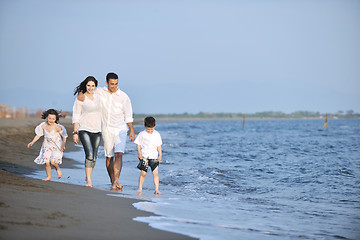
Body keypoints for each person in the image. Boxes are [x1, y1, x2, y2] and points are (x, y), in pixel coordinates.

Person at [78, 72, 135, 190]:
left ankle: (116, 180)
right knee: (109, 157)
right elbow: (89, 91)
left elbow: (128, 115)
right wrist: (80, 93)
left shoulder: (124, 97)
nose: (114, 86)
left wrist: (132, 130)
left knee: (119, 154)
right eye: (111, 83)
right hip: (106, 129)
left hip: (120, 129)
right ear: (107, 83)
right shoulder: (100, 92)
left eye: (116, 83)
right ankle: (112, 180)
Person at [72, 76, 102, 187]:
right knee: (89, 154)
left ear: (95, 86)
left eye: (93, 85)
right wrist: (75, 133)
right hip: (84, 129)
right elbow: (76, 115)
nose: (90, 88)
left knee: (94, 156)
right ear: (85, 85)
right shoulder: (81, 98)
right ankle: (89, 180)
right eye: (88, 85)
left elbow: (108, 89)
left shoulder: (98, 95)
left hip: (97, 129)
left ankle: (88, 174)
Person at [27, 109, 68, 181]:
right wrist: (32, 142)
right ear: (46, 117)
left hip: (57, 146)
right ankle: (48, 177)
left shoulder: (58, 127)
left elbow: (64, 136)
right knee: (46, 162)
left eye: (53, 119)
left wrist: (63, 145)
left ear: (56, 119)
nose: (51, 120)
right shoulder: (43, 125)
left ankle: (57, 168)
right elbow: (38, 135)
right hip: (47, 146)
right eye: (49, 118)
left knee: (53, 162)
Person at [134, 116, 163, 195]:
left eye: (151, 129)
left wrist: (160, 155)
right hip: (144, 156)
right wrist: (139, 153)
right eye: (148, 129)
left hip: (154, 156)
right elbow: (138, 145)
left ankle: (156, 189)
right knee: (143, 173)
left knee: (155, 173)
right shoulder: (142, 134)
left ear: (154, 126)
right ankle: (140, 188)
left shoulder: (157, 134)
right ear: (145, 126)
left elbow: (159, 146)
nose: (150, 131)